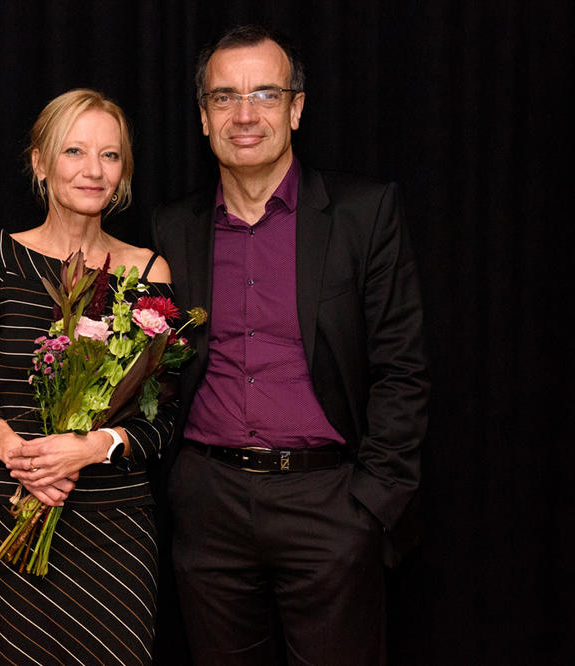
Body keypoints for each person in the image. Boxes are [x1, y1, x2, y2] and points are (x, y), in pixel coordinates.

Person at [152, 25, 429, 665]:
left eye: (265, 95)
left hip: (329, 506)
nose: (244, 114)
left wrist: (371, 504)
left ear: (296, 109)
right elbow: (160, 370)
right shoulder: (174, 227)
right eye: (224, 98)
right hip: (208, 507)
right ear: (202, 117)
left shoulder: (364, 213)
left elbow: (401, 369)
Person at [0, 88, 176, 665]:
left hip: (116, 529)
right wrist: (19, 454)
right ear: (40, 162)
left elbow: (166, 416)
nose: (93, 170)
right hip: (14, 511)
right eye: (74, 151)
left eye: (110, 156)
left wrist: (90, 447)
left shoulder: (149, 272)